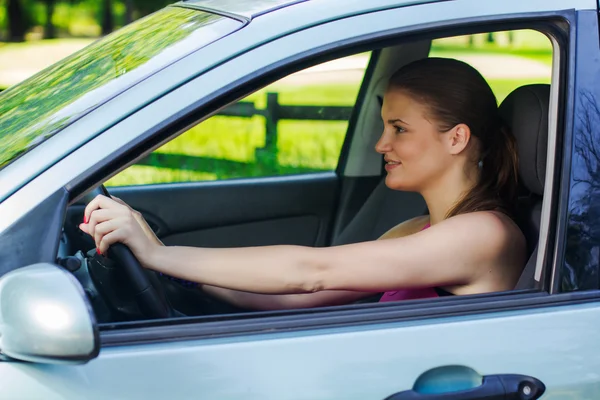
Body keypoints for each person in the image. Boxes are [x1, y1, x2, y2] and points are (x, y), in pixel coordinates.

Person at [80, 57, 527, 311]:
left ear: (457, 138)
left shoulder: (485, 235)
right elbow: (294, 298)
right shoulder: (415, 230)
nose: (380, 144)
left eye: (399, 128)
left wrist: (158, 252)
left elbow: (311, 274)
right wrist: (168, 269)